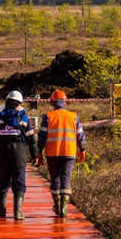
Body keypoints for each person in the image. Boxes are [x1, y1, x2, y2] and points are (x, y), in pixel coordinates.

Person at [0, 90, 37, 220]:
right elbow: (31, 139)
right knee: (19, 183)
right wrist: (35, 155)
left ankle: (1, 211)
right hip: (19, 157)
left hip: (2, 156)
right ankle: (18, 213)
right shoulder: (24, 120)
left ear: (6, 102)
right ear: (19, 104)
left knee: (2, 183)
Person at [37, 90, 87, 218]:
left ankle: (57, 206)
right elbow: (81, 136)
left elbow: (42, 137)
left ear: (51, 102)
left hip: (52, 153)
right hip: (69, 153)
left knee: (55, 180)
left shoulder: (48, 116)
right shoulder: (74, 116)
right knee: (65, 179)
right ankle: (64, 209)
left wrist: (39, 153)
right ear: (65, 102)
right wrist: (82, 150)